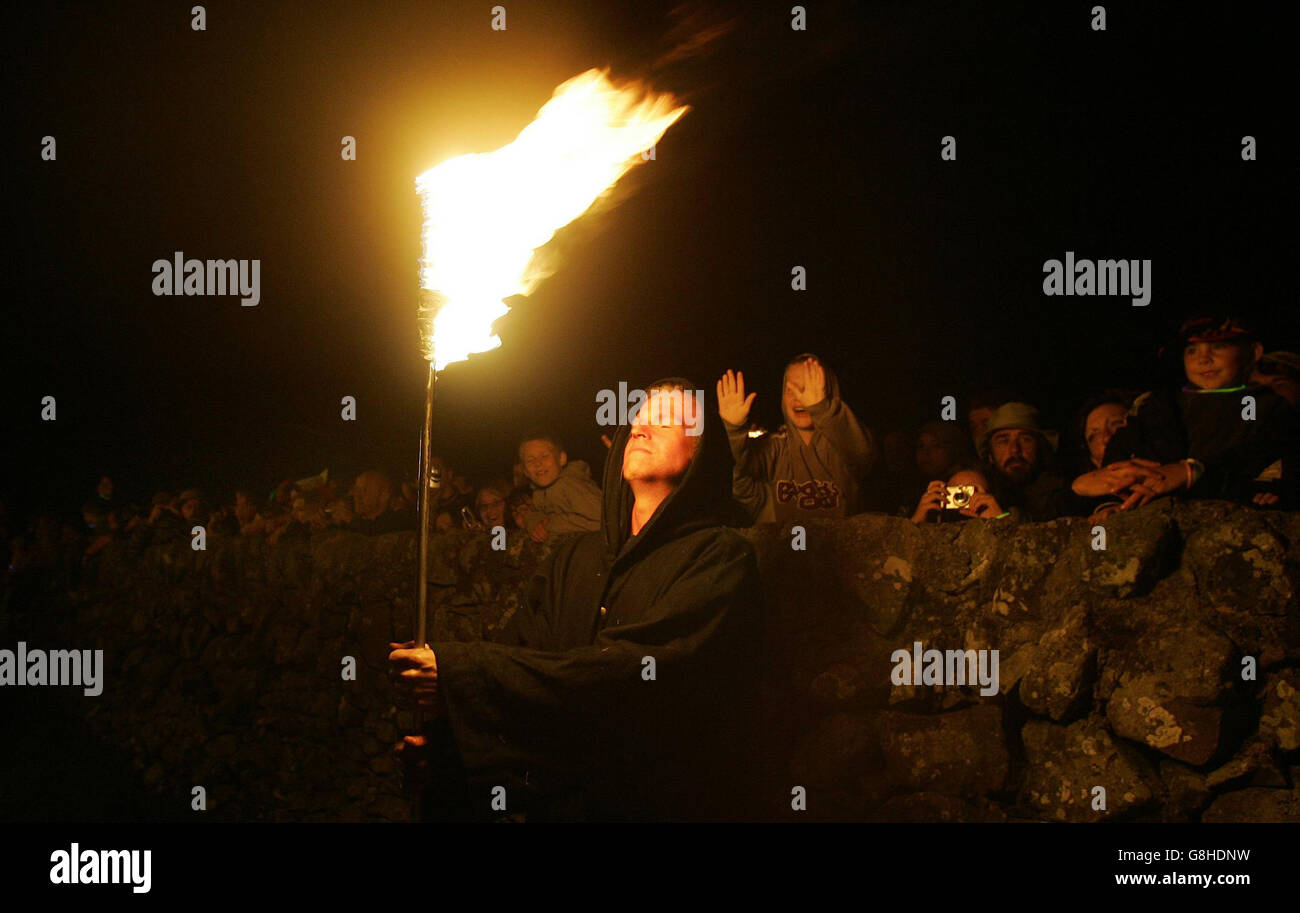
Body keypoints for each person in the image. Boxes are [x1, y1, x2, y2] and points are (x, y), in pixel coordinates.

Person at [389, 379, 761, 822]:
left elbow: (629, 678)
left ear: (700, 454)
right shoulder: (574, 558)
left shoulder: (719, 557)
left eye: (665, 419)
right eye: (638, 417)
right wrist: (446, 753)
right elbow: (525, 667)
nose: (641, 427)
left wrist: (460, 671)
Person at [1074, 317, 1299, 510]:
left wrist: (1193, 472)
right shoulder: (1158, 404)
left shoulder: (1260, 404)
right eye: (1192, 351)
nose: (1204, 359)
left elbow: (1256, 454)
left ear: (1253, 352)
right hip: (1154, 508)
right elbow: (1122, 448)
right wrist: (1112, 491)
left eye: (1218, 347)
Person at [717, 354, 876, 524]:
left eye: (808, 387)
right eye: (790, 389)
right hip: (789, 546)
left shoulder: (843, 446)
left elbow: (864, 455)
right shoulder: (774, 447)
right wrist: (734, 430)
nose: (798, 396)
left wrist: (824, 409)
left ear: (829, 390)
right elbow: (741, 469)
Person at [978, 403, 1077, 521]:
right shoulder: (984, 489)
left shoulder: (1063, 496)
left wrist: (1002, 519)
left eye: (1025, 439)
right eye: (1003, 441)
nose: (1015, 450)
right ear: (990, 455)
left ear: (1040, 448)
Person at [517, 434, 602, 540]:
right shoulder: (538, 493)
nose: (538, 463)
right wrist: (533, 522)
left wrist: (549, 525)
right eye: (530, 460)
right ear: (525, 471)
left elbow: (602, 520)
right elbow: (534, 513)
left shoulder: (570, 484)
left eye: (544, 456)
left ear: (561, 459)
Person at [910, 467, 1008, 523]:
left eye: (973, 493)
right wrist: (915, 524)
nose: (962, 500)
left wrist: (999, 522)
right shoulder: (933, 528)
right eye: (956, 494)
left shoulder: (1005, 522)